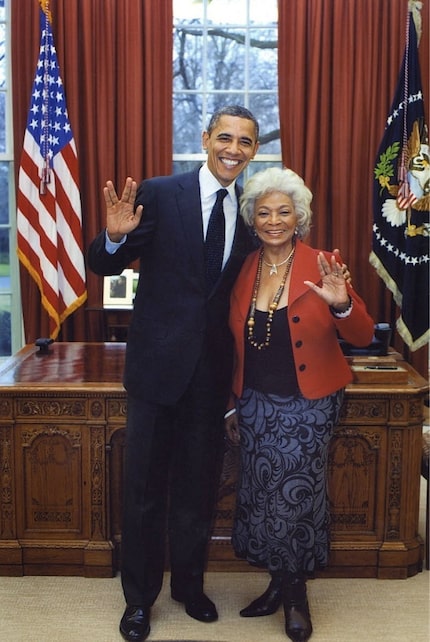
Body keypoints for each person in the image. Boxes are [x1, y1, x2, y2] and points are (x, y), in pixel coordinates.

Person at [87, 105, 260, 642]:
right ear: (206, 139)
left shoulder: (252, 213)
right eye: (225, 138)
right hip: (157, 374)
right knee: (142, 491)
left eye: (246, 142)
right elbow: (105, 263)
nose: (233, 149)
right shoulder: (162, 193)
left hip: (210, 379)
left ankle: (189, 587)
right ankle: (139, 601)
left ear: (254, 152)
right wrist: (114, 238)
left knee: (196, 490)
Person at [224, 167, 374, 642]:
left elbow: (364, 335)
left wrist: (340, 304)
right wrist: (232, 402)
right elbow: (232, 342)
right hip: (254, 402)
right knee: (262, 493)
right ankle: (275, 583)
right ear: (252, 219)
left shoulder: (323, 262)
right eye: (264, 212)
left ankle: (295, 597)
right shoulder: (244, 266)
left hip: (309, 405)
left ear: (299, 217)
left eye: (283, 212)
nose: (273, 220)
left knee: (294, 495)